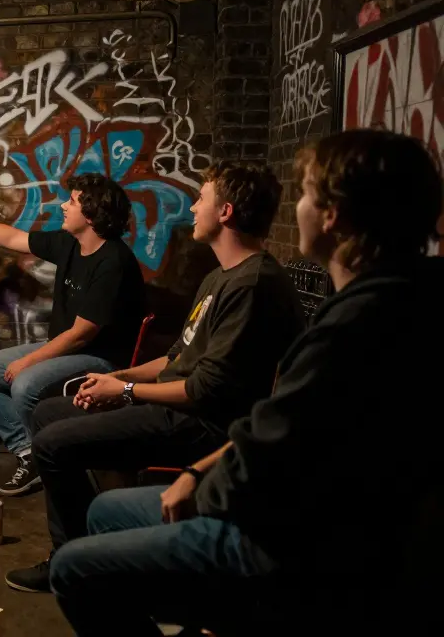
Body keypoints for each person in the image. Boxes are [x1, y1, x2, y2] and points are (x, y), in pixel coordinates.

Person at [48, 130, 444, 636]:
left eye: (306, 193)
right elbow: (278, 423)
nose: (295, 207)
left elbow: (268, 448)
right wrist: (194, 470)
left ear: (333, 215)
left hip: (299, 547)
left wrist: (200, 487)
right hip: (298, 517)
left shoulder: (357, 327)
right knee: (104, 508)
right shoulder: (395, 300)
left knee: (75, 571)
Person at [4, 161, 305, 593]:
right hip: (178, 405)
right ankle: (93, 544)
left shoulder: (252, 284)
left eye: (201, 198)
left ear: (226, 212)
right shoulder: (220, 276)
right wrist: (118, 376)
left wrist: (126, 391)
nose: (193, 207)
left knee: (51, 443)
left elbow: (205, 390)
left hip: (203, 422)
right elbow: (176, 356)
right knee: (48, 413)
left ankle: (71, 565)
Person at [0, 173, 146, 496]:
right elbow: (13, 237)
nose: (63, 206)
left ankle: (51, 457)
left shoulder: (113, 262)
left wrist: (28, 361)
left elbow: (81, 335)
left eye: (71, 202)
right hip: (68, 349)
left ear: (90, 216)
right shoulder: (70, 243)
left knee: (25, 384)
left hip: (100, 359)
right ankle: (30, 453)